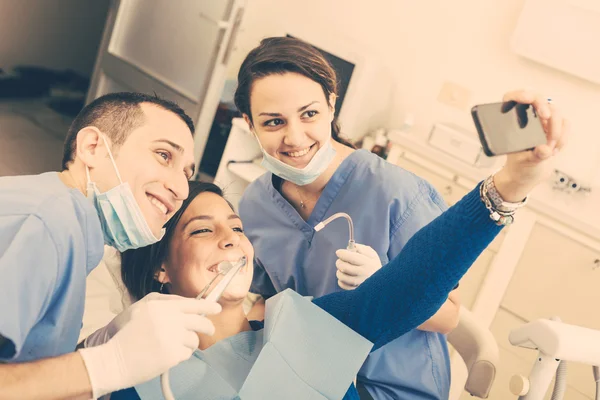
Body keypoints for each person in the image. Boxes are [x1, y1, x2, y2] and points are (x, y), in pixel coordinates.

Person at [106, 93, 567, 398]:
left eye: (237, 228)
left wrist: (510, 185)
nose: (231, 240)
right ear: (159, 268)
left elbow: (409, 288)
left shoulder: (297, 320)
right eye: (202, 230)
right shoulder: (140, 370)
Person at [233, 36, 451, 398]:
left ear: (332, 105)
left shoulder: (396, 193)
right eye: (273, 122)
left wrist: (386, 285)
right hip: (306, 378)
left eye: (309, 114)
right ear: (249, 124)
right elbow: (267, 300)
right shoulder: (256, 203)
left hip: (391, 388)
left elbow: (451, 317)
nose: (295, 136)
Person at [0, 92, 221, 400]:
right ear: (92, 148)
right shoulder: (44, 223)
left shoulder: (74, 232)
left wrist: (97, 347)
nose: (182, 189)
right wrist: (105, 365)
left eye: (186, 172)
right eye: (164, 155)